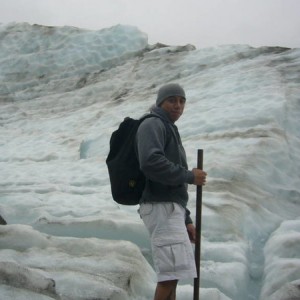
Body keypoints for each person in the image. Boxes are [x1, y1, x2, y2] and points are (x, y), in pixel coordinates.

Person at [136, 83, 207, 300]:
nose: (178, 105)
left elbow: (172, 183)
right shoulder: (153, 124)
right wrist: (189, 176)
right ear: (160, 103)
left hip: (169, 207)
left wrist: (185, 219)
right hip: (160, 207)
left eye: (182, 101)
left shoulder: (168, 128)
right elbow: (150, 162)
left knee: (173, 274)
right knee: (169, 276)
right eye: (172, 100)